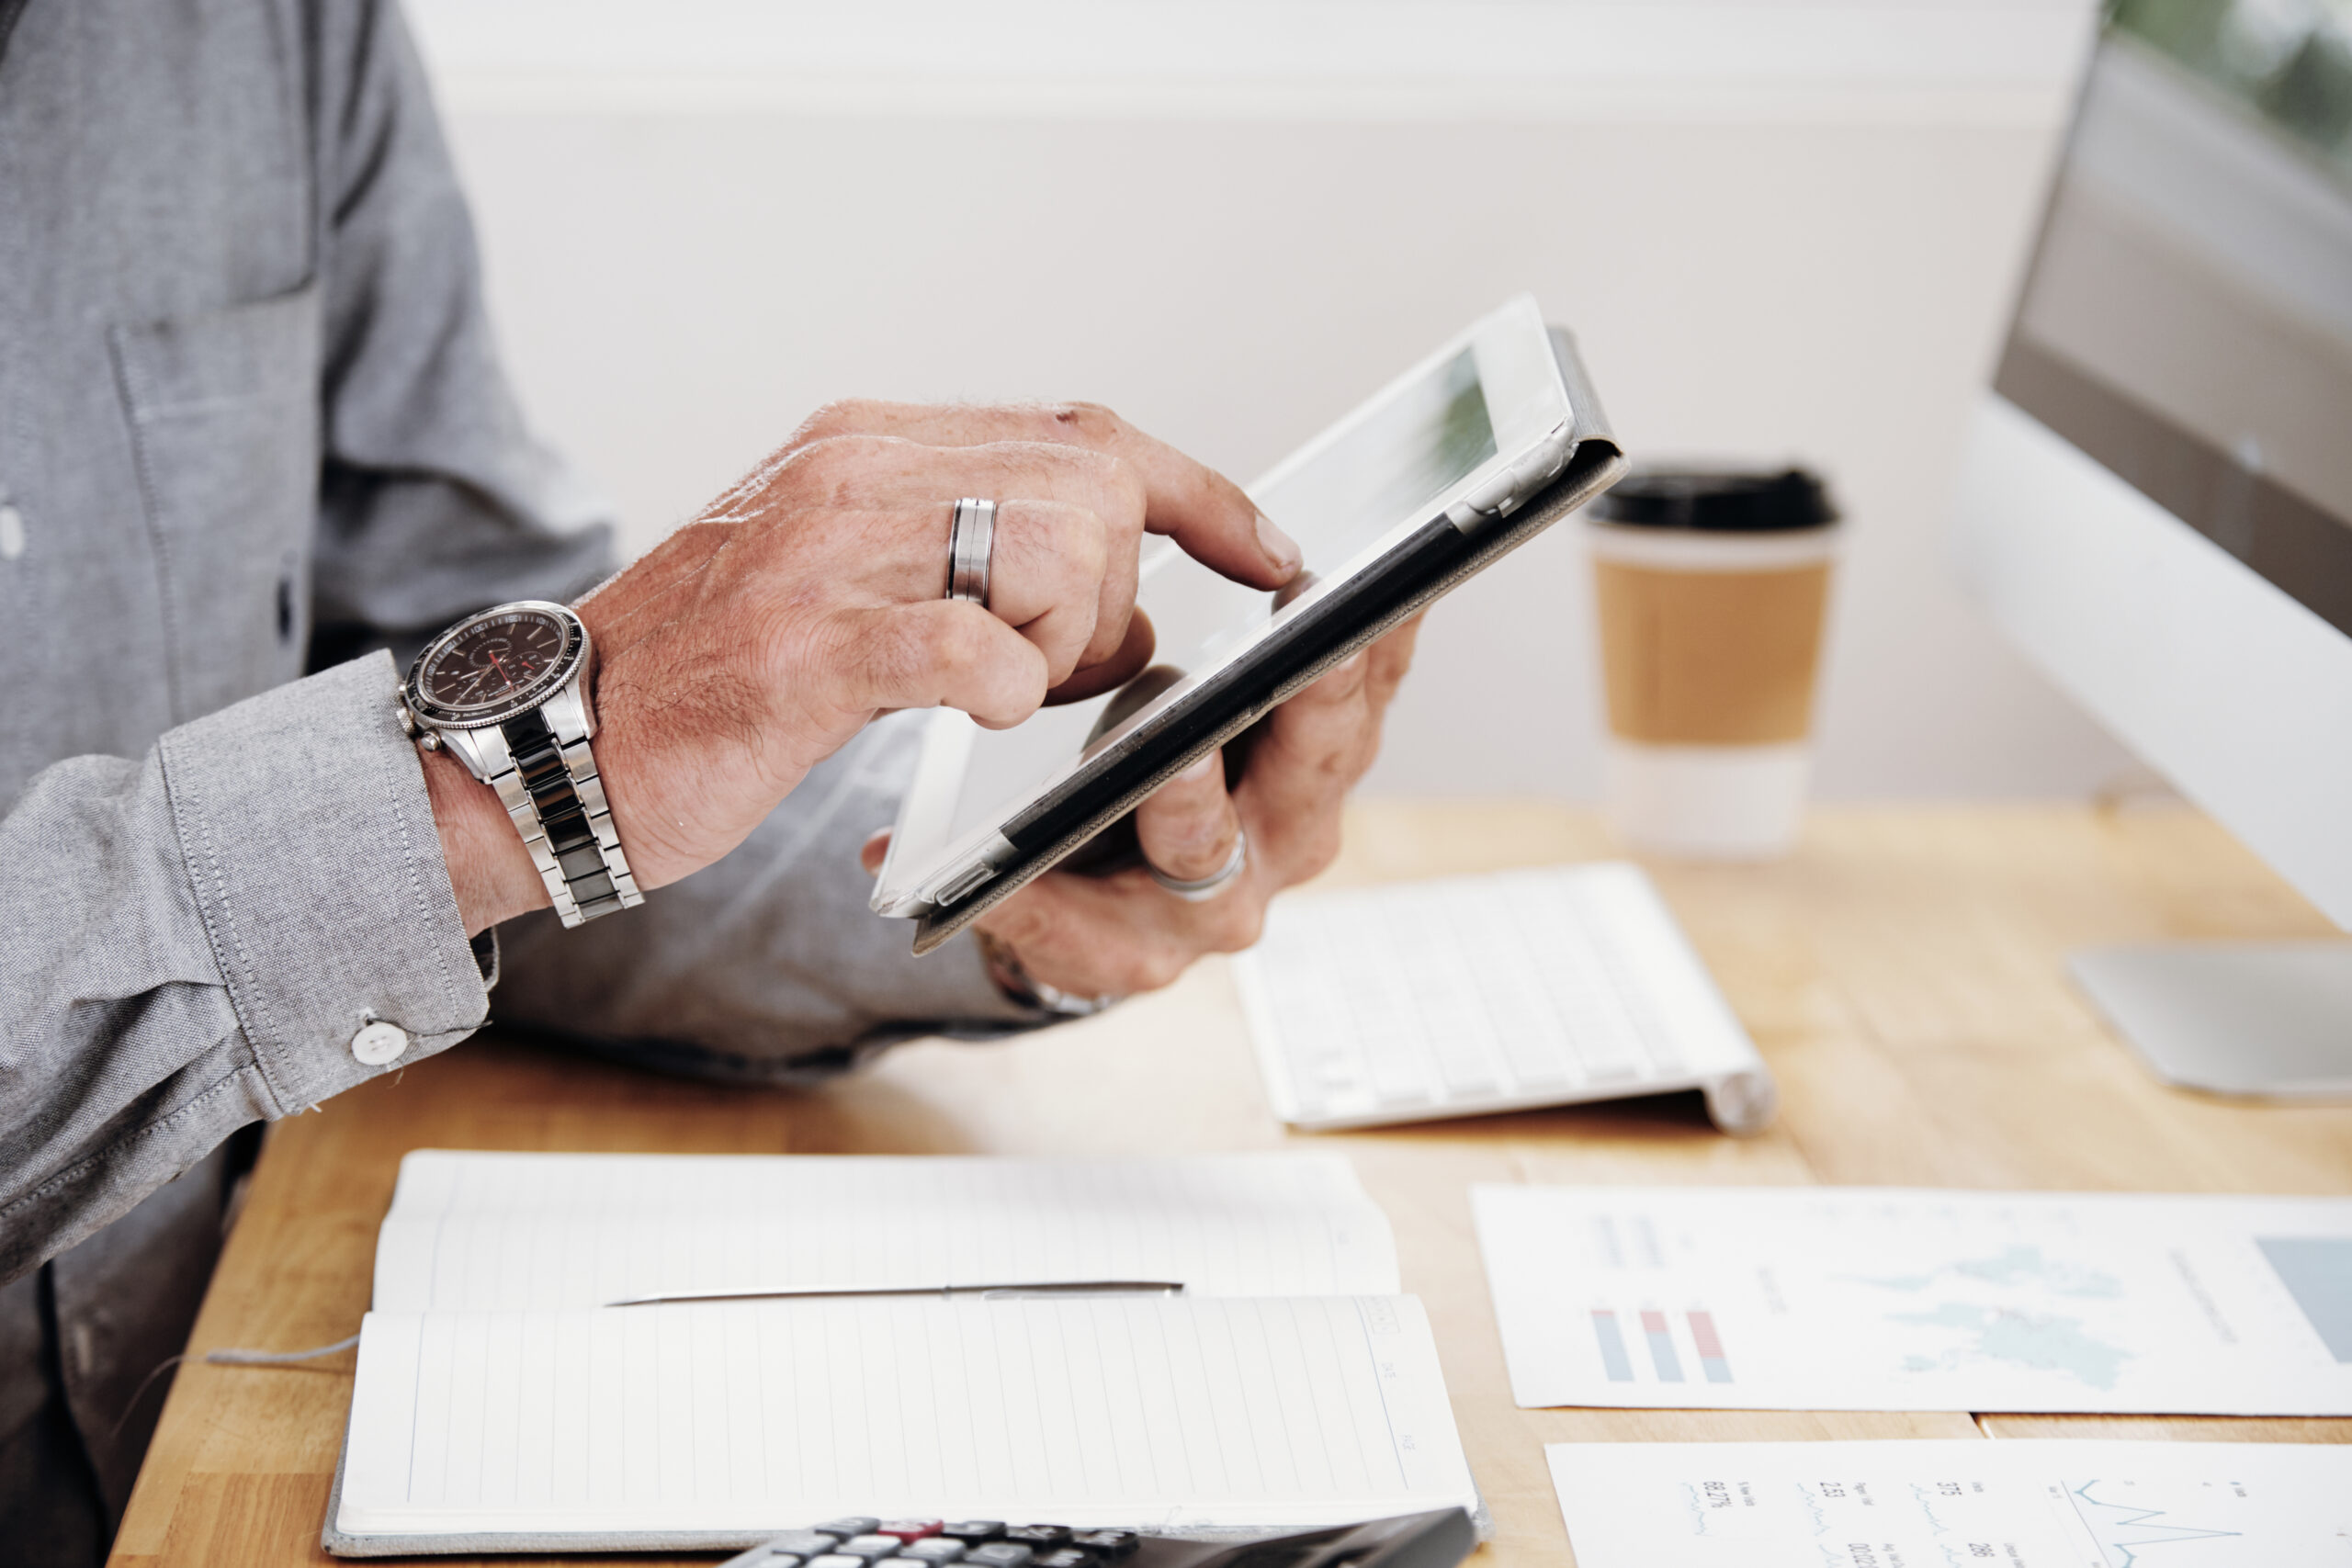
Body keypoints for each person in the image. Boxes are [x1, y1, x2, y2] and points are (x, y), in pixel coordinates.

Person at [0, 2, 1421, 1562]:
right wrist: (501, 788)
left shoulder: (263, 29)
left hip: (221, 1390)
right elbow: (481, 772)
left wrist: (987, 876)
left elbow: (437, 664)